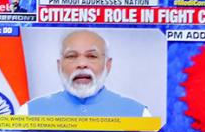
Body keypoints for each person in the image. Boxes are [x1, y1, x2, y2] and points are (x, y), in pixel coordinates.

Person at [18, 30, 151, 117]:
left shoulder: (139, 114)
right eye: (71, 56)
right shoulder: (28, 112)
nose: (81, 64)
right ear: (59, 66)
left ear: (107, 65)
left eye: (92, 56)